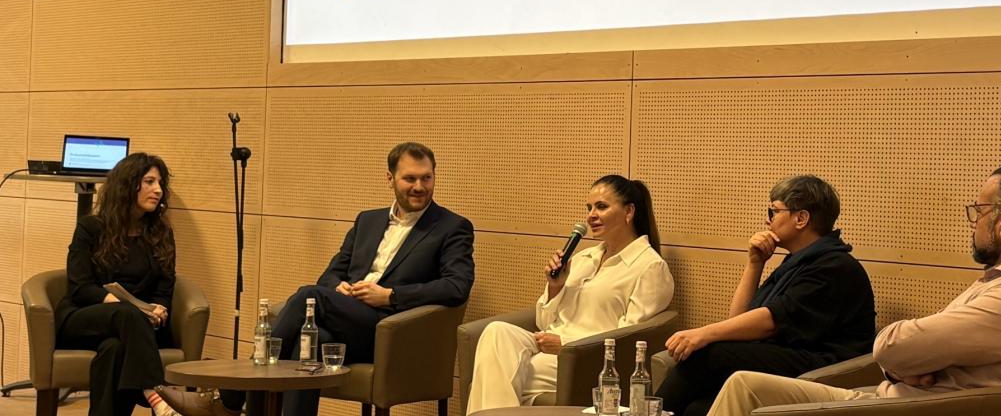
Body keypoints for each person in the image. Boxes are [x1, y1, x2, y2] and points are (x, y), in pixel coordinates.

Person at [704, 164, 1001, 416]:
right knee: (743, 385)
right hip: (896, 397)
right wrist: (914, 364)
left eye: (979, 211)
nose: (974, 222)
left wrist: (907, 363)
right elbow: (921, 348)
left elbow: (891, 345)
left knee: (721, 367)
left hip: (902, 408)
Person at [160, 142, 475, 416]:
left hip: (391, 331)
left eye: (426, 178)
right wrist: (338, 287)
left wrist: (389, 295)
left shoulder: (451, 227)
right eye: (410, 178)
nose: (419, 186)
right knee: (312, 340)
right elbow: (330, 275)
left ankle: (228, 399)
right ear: (390, 179)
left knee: (309, 296)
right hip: (348, 319)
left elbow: (456, 286)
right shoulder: (368, 220)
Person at [655, 175, 876, 416]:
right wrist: (755, 263)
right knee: (696, 409)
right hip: (790, 355)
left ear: (801, 218)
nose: (767, 220)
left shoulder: (833, 266)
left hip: (820, 368)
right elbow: (738, 319)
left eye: (774, 211)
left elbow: (772, 321)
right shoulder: (797, 261)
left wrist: (703, 334)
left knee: (709, 354)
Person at [465, 175, 675, 414]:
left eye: (601, 207)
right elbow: (544, 322)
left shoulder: (650, 267)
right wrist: (555, 286)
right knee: (496, 332)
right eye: (589, 208)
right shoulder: (583, 258)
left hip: (583, 359)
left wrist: (565, 345)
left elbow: (627, 340)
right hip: (546, 347)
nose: (591, 215)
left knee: (494, 374)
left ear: (629, 212)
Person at [55, 153, 182, 416]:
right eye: (149, 182)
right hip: (84, 317)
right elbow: (79, 287)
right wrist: (122, 305)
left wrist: (159, 307)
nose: (158, 190)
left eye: (160, 183)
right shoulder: (90, 228)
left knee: (114, 349)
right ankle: (155, 394)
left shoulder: (160, 232)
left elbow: (165, 283)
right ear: (127, 185)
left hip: (137, 325)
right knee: (127, 313)